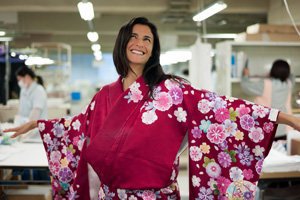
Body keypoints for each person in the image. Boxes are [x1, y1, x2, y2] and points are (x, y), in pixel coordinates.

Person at [4, 17, 300, 200]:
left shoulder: (173, 90)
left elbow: (221, 108)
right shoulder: (103, 96)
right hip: (113, 196)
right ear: (122, 44)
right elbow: (81, 124)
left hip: (157, 196)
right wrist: (39, 125)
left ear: (153, 49)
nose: (140, 43)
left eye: (147, 39)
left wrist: (286, 118)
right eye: (133, 36)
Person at [241, 59, 294, 140]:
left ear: (272, 70)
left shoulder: (265, 83)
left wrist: (245, 75)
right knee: (281, 151)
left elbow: (246, 87)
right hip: (284, 127)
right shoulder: (289, 83)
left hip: (267, 128)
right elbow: (291, 76)